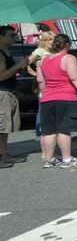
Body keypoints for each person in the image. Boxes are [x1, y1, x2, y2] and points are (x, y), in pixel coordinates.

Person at [34, 34, 77, 169]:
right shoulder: (69, 58)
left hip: (47, 98)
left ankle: (49, 159)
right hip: (66, 97)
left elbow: (40, 81)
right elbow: (75, 78)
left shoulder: (43, 60)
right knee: (64, 130)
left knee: (49, 131)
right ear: (67, 45)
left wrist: (47, 92)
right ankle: (66, 159)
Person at [0, 25, 31, 167]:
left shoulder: (6, 51)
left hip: (8, 91)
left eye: (15, 35)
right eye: (11, 35)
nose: (15, 37)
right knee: (2, 126)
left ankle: (4, 154)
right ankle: (2, 156)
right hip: (2, 92)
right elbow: (2, 76)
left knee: (5, 127)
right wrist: (18, 66)